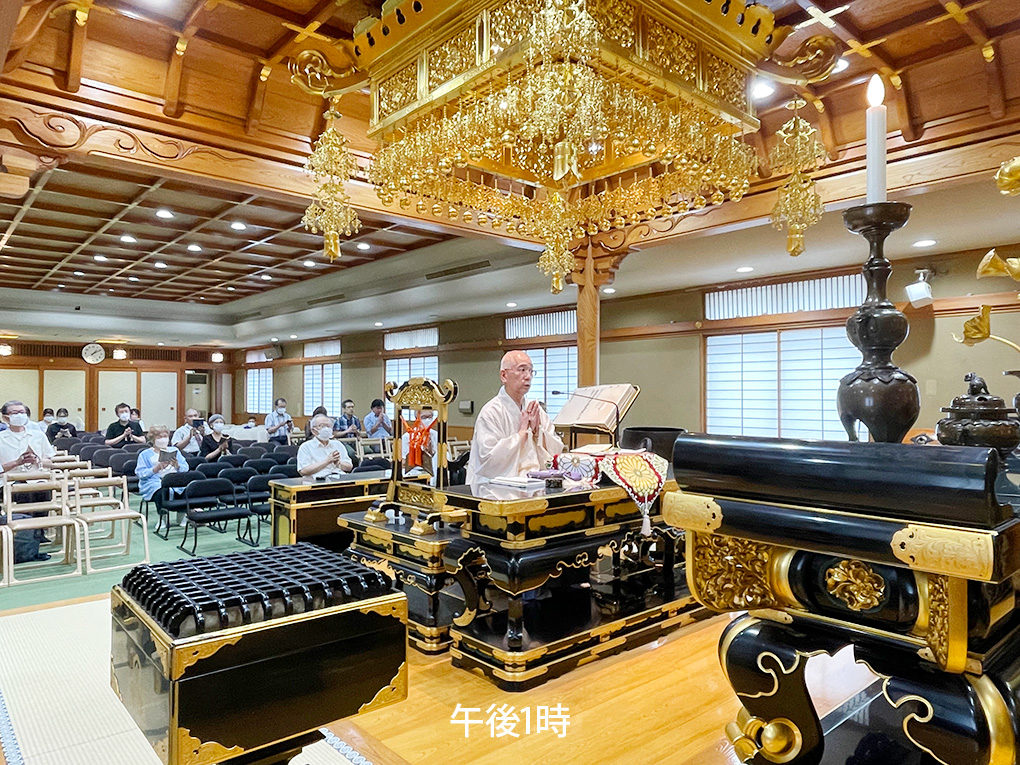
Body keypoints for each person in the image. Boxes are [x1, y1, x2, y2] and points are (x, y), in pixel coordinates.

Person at [466, 350, 564, 484]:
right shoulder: (491, 412)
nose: (528, 376)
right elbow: (488, 460)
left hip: (535, 483)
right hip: (497, 489)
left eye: (531, 371)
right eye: (522, 370)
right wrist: (522, 434)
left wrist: (538, 433)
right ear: (504, 375)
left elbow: (556, 449)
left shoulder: (536, 409)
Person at [0, 400, 57, 562]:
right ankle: (27, 543)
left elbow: (51, 462)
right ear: (5, 418)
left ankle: (38, 535)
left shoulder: (38, 435)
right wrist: (17, 462)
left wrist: (37, 460)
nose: (19, 415)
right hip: (10, 482)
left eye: (22, 412)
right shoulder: (1, 438)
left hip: (37, 477)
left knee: (44, 489)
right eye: (14, 413)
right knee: (24, 494)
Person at [135, 424, 189, 527]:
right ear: (153, 439)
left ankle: (181, 515)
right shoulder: (145, 454)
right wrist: (155, 469)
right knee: (161, 491)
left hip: (174, 479)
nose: (163, 439)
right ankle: (162, 518)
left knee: (185, 490)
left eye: (165, 437)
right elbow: (140, 473)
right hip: (153, 482)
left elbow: (185, 467)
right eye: (159, 437)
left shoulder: (175, 450)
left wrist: (177, 466)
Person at [297, 413, 353, 478]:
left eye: (328, 426)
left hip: (338, 478)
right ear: (313, 430)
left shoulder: (338, 444)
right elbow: (303, 471)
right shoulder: (306, 447)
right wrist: (327, 461)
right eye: (322, 426)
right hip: (318, 481)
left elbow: (349, 467)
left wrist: (339, 463)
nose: (326, 429)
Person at [401, 408, 438, 483]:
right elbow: (403, 461)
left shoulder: (435, 434)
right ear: (417, 418)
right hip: (416, 470)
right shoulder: (408, 436)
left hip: (435, 469)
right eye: (424, 417)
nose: (428, 420)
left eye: (430, 417)